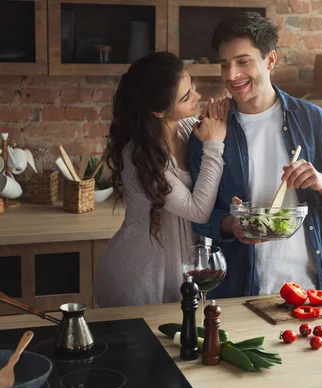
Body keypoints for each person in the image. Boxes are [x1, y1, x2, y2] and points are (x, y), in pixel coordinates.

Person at [188, 12, 322, 298]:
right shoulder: (209, 132)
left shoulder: (314, 120)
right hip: (239, 291)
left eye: (243, 62)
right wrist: (232, 224)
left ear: (270, 60)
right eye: (224, 64)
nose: (231, 75)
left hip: (312, 286)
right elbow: (198, 217)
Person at [94, 51, 229, 307]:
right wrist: (213, 145)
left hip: (181, 276)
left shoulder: (189, 128)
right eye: (186, 96)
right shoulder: (140, 156)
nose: (197, 97)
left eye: (193, 87)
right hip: (137, 281)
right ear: (158, 111)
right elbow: (197, 211)